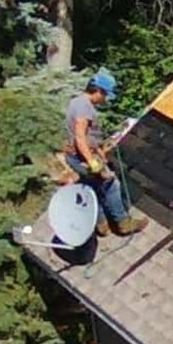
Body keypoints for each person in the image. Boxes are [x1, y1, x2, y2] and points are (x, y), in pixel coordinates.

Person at [64, 70, 147, 237]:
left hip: (75, 156)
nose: (105, 100)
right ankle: (124, 223)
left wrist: (100, 148)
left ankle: (101, 224)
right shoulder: (84, 108)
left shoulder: (77, 101)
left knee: (92, 187)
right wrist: (91, 161)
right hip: (82, 158)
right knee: (111, 184)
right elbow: (80, 137)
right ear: (98, 91)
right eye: (105, 95)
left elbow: (85, 135)